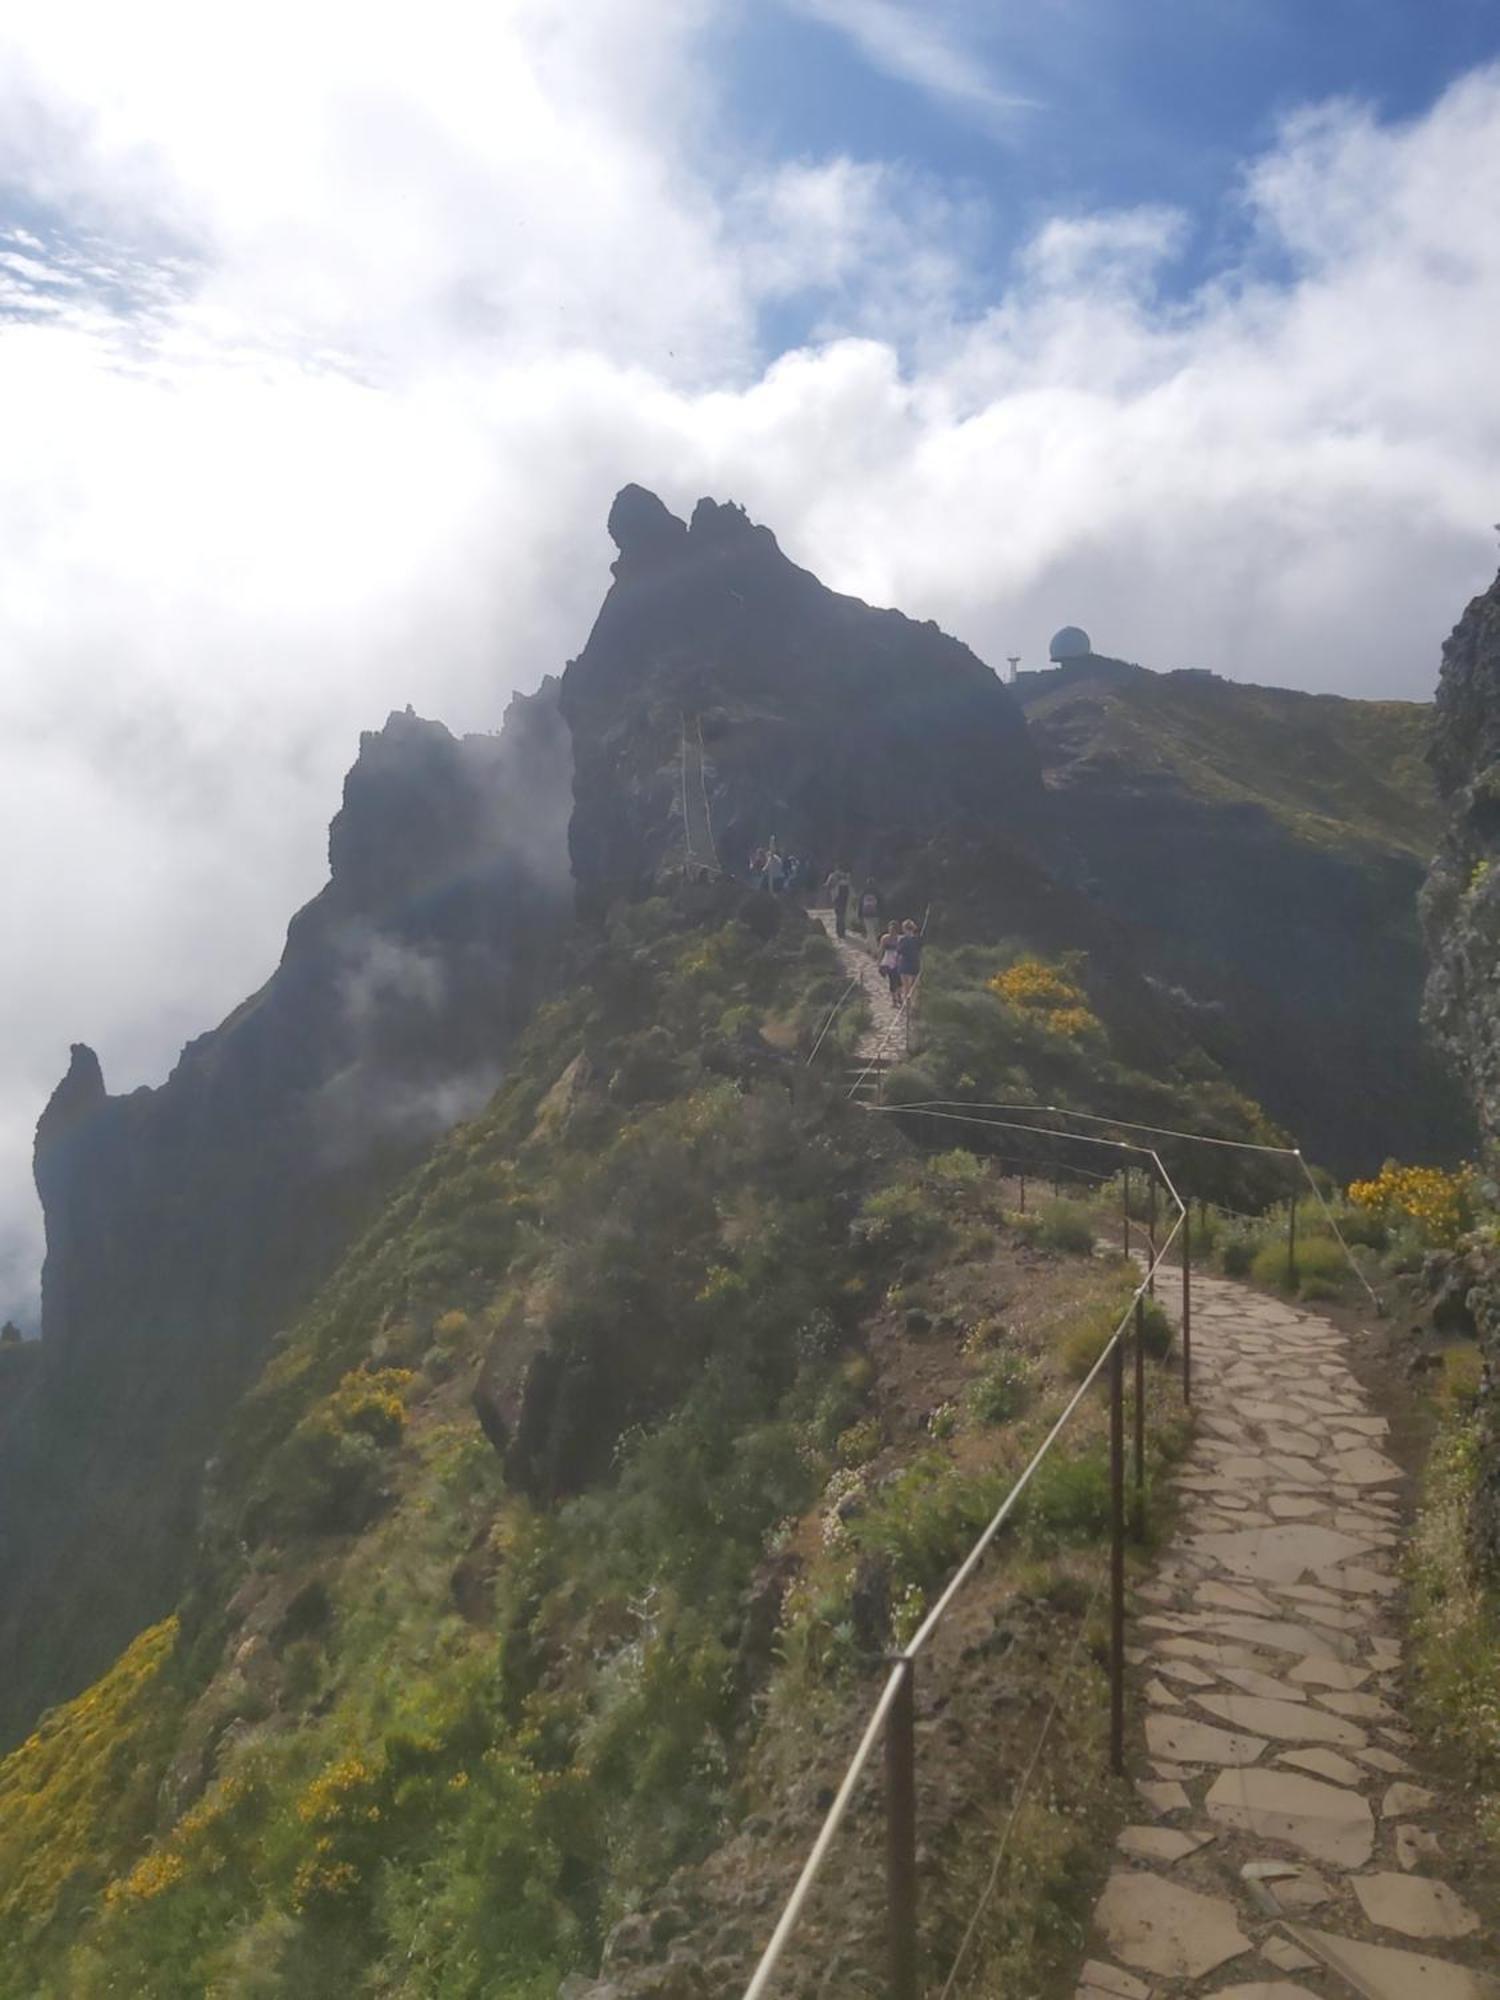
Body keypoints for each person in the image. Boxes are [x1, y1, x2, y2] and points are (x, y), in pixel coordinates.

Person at [896, 918, 922, 1001]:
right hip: (915, 964)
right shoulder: (917, 939)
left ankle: (907, 1005)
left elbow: (899, 952)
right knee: (914, 987)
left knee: (906, 987)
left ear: (904, 928)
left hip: (904, 964)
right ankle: (913, 1005)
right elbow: (919, 951)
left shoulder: (902, 939)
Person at [877, 926, 902, 1006]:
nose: (891, 932)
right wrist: (879, 961)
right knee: (892, 980)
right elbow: (881, 949)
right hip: (888, 960)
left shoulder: (900, 939)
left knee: (899, 981)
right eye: (890, 930)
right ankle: (894, 999)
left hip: (898, 961)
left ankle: (899, 996)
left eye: (893, 930)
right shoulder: (885, 938)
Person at [825, 865, 852, 937]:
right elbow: (849, 886)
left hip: (836, 896)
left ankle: (839, 931)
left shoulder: (833, 876)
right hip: (845, 897)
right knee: (843, 914)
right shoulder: (846, 876)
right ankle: (842, 931)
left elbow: (828, 885)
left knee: (838, 914)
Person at [858, 882, 881, 946]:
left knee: (870, 931)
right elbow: (881, 903)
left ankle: (869, 946)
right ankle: (873, 947)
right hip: (875, 914)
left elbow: (860, 904)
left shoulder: (863, 893)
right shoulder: (877, 892)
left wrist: (859, 914)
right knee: (875, 931)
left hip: (866, 914)